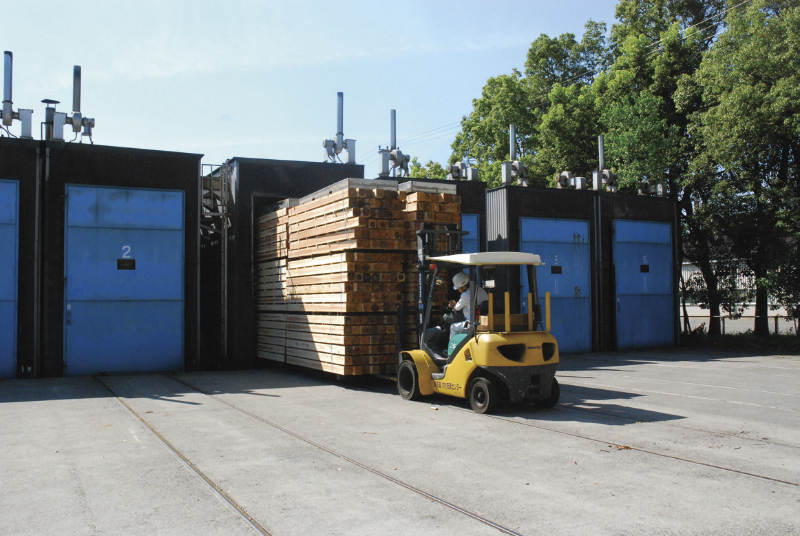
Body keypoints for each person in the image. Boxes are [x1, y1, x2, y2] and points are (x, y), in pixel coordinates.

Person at [448, 272, 488, 340]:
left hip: (471, 322)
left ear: (463, 287)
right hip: (482, 320)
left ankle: (453, 346)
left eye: (458, 288)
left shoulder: (466, 294)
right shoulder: (481, 289)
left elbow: (457, 308)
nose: (458, 290)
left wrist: (452, 305)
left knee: (453, 327)